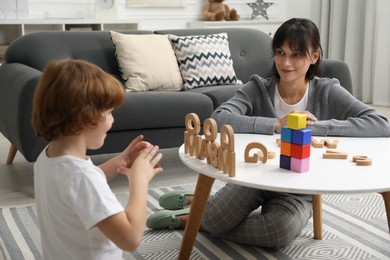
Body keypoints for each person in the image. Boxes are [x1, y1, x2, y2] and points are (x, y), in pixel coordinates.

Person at [146, 18, 390, 249]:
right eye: (280, 53)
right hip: (257, 175)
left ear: (313, 57)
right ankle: (202, 207)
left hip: (299, 191)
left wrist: (314, 128)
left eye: (296, 55)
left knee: (276, 233)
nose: (286, 63)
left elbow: (380, 124)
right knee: (218, 218)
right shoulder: (258, 87)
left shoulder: (327, 91)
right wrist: (276, 124)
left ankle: (191, 219)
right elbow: (218, 119)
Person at [32, 59, 163, 259]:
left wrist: (121, 160)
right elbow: (130, 239)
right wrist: (139, 180)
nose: (112, 119)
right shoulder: (82, 177)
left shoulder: (49, 156)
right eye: (109, 112)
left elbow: (78, 189)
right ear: (83, 118)